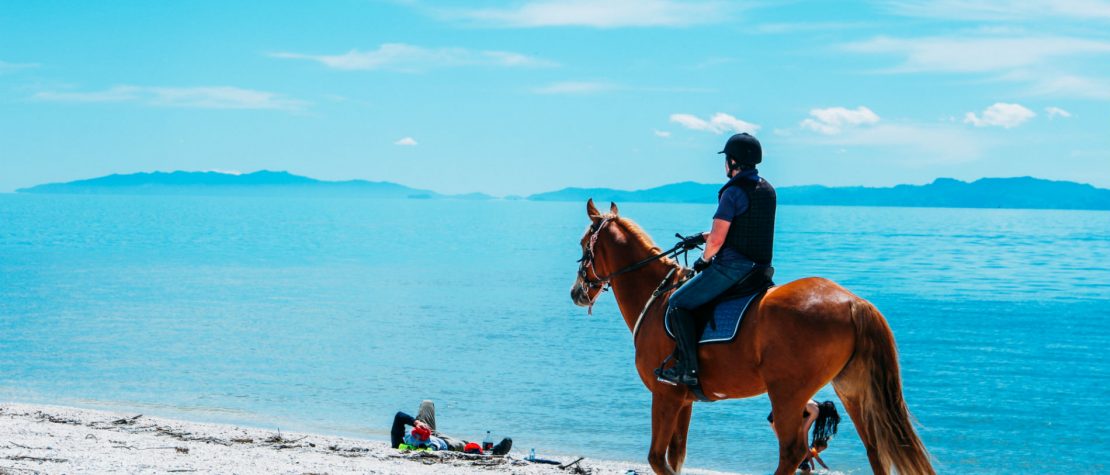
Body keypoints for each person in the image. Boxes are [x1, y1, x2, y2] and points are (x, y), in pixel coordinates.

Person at [655, 132, 776, 387]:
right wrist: (700, 237)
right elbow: (742, 228)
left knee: (677, 302)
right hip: (761, 269)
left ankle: (687, 370)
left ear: (733, 161)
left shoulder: (731, 193)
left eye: (726, 160)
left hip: (733, 268)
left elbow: (719, 240)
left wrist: (703, 259)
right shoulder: (766, 189)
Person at [390, 400, 512, 455]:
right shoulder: (401, 447)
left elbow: (399, 416)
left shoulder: (398, 440)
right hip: (444, 443)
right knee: (462, 445)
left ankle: (420, 422)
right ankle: (491, 452)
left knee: (427, 403)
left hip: (425, 430)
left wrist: (416, 423)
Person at [768, 399, 841, 473]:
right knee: (791, 452)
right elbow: (804, 431)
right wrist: (806, 449)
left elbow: (802, 429)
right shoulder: (815, 411)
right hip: (779, 417)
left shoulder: (812, 405)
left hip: (777, 414)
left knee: (790, 453)